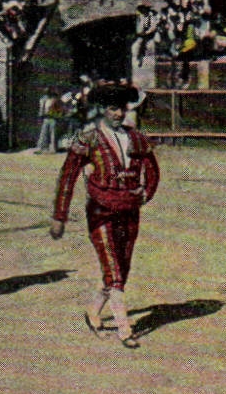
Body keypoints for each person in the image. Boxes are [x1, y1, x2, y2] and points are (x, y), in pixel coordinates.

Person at [49, 83, 161, 349]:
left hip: (129, 209)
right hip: (100, 211)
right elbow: (68, 176)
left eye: (122, 108)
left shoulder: (135, 137)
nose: (118, 114)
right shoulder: (88, 138)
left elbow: (152, 168)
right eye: (113, 108)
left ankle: (93, 312)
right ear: (101, 110)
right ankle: (125, 329)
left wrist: (146, 193)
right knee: (114, 269)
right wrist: (59, 215)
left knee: (120, 268)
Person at [32, 88, 60, 155]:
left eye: (48, 91)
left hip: (53, 118)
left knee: (53, 134)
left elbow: (58, 109)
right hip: (45, 118)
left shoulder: (54, 99)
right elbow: (41, 109)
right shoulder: (43, 99)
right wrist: (40, 117)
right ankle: (42, 148)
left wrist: (57, 115)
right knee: (43, 133)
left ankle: (53, 149)